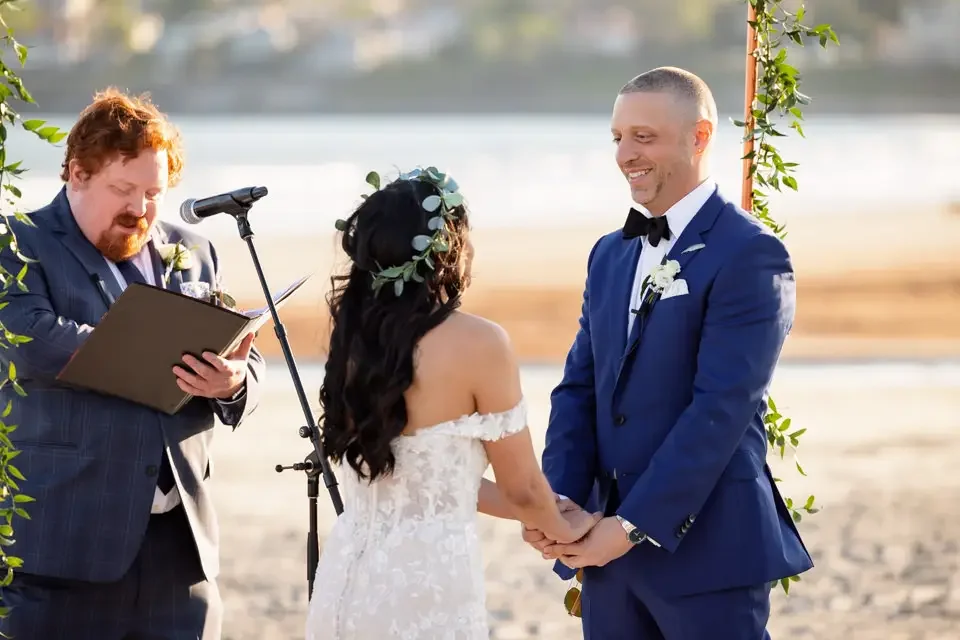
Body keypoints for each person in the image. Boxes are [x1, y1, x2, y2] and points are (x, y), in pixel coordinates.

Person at [522, 67, 814, 639]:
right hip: (604, 558)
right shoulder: (608, 254)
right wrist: (558, 508)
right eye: (618, 138)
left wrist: (630, 526)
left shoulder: (752, 254)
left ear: (699, 137)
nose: (625, 154)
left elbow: (720, 410)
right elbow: (579, 388)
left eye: (644, 137)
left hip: (708, 556)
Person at [0, 88, 265, 639]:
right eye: (124, 189)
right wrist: (154, 348)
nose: (141, 209)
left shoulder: (194, 249)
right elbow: (28, 338)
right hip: (63, 549)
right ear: (76, 174)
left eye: (154, 193)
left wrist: (233, 381)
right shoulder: (18, 242)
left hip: (181, 555)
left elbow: (246, 357)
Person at [304, 167, 602, 639]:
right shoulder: (480, 343)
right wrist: (571, 532)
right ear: (448, 250)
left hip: (346, 582)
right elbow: (522, 485)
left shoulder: (356, 341)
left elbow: (433, 482)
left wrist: (553, 508)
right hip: (426, 587)